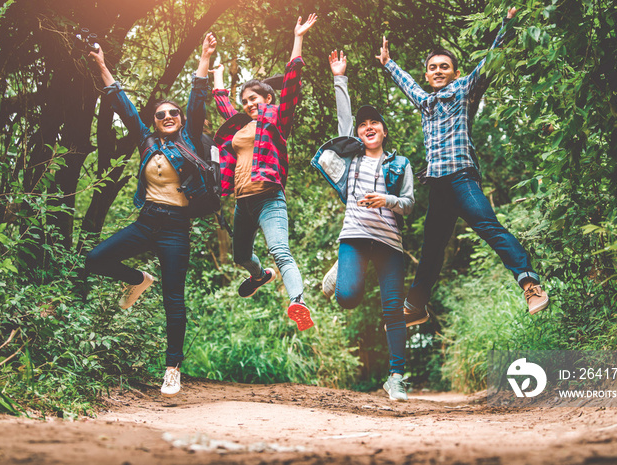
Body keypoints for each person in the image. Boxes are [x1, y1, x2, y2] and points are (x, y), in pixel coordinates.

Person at [376, 7, 550, 322]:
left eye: (445, 66)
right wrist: (388, 64)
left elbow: (490, 61)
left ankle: (530, 284)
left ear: (456, 73)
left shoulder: (463, 90)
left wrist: (507, 24)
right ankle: (415, 306)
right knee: (431, 250)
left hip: (462, 180)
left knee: (488, 226)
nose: (438, 70)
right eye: (433, 68)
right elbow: (407, 86)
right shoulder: (425, 102)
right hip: (439, 188)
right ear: (427, 75)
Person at [85, 32, 217, 397]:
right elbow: (122, 103)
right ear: (155, 122)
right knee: (96, 258)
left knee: (174, 299)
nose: (169, 116)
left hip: (176, 227)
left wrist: (204, 56)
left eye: (173, 112)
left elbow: (197, 99)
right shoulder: (146, 141)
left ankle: (172, 368)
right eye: (162, 114)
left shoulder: (188, 139)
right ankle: (138, 277)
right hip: (147, 222)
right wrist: (100, 63)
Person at [312, 50, 415, 400]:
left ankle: (397, 377)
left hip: (389, 243)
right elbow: (343, 123)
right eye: (363, 124)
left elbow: (410, 205)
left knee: (392, 308)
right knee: (348, 297)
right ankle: (342, 269)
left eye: (375, 123)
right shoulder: (352, 157)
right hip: (355, 236)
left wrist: (387, 200)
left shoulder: (401, 164)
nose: (368, 127)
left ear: (384, 132)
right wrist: (339, 77)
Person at [210, 14, 317, 331]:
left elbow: (293, 81)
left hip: (270, 199)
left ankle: (297, 302)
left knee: (280, 251)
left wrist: (297, 38)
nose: (248, 104)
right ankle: (260, 276)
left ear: (268, 98)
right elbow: (222, 103)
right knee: (241, 256)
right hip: (243, 202)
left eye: (254, 98)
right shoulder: (241, 127)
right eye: (244, 101)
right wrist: (217, 74)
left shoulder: (276, 121)